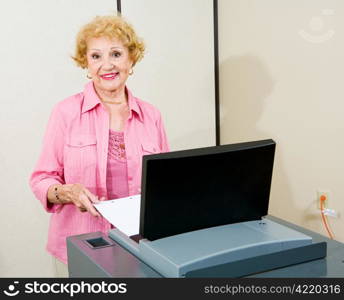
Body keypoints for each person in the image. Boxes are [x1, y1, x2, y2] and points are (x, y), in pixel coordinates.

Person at [29, 15, 169, 276]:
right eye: (96, 56)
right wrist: (67, 192)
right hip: (80, 252)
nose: (107, 65)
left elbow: (166, 183)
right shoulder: (65, 112)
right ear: (86, 64)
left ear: (131, 59)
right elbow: (41, 179)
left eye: (116, 54)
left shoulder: (152, 116)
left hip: (141, 249)